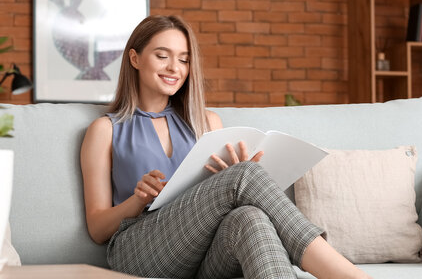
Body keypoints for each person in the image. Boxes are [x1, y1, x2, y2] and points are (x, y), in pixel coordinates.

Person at [80, 14, 372, 279]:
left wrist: (228, 180)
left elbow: (216, 201)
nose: (174, 68)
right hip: (138, 251)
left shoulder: (207, 122)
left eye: (184, 59)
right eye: (162, 56)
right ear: (135, 58)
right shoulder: (105, 129)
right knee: (243, 176)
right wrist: (136, 200)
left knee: (250, 217)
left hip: (201, 254)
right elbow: (97, 229)